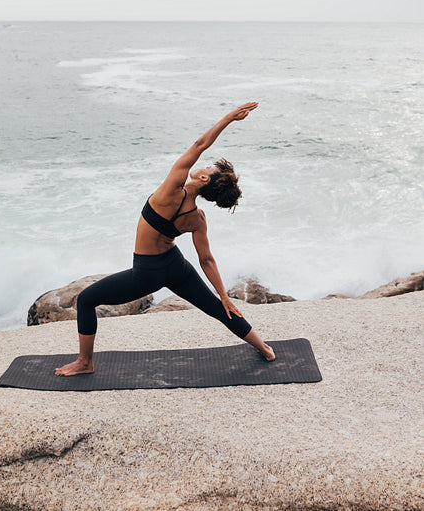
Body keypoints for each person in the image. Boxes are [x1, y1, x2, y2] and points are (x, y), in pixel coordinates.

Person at [56, 102, 275, 376]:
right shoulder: (198, 218)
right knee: (219, 310)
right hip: (175, 265)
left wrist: (230, 117)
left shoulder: (171, 190)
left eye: (206, 167)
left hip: (146, 273)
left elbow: (200, 144)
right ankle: (264, 348)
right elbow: (206, 259)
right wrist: (224, 296)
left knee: (87, 299)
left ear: (204, 176)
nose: (202, 164)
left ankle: (85, 363)